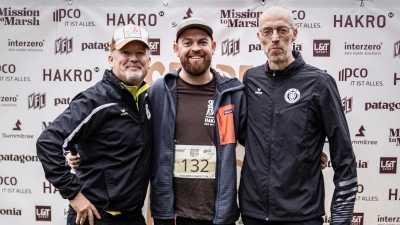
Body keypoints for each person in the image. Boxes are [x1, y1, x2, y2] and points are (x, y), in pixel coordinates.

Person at [239, 5, 358, 225]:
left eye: (282, 30)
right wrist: (298, 152)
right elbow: (247, 135)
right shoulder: (250, 79)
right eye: (267, 32)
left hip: (302, 214)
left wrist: (341, 217)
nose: (275, 38)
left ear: (294, 34)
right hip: (253, 212)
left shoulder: (320, 82)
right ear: (259, 37)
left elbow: (343, 152)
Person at [36, 24, 152, 225]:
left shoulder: (148, 99)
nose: (133, 58)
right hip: (95, 217)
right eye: (125, 52)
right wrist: (74, 195)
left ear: (148, 61)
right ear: (111, 59)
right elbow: (48, 142)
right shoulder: (96, 100)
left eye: (140, 53)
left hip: (133, 217)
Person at [148, 17, 247, 225]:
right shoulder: (159, 90)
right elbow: (133, 135)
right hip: (171, 214)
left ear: (213, 47)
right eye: (187, 43)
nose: (196, 48)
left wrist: (304, 153)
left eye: (202, 42)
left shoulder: (233, 93)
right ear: (176, 48)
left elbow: (259, 140)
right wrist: (81, 152)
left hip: (218, 214)